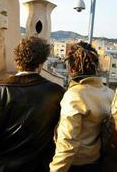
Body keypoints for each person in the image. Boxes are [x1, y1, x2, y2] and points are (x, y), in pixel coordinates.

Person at [0, 36, 65, 172]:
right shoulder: (57, 93)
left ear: (17, 61)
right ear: (41, 63)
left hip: (2, 167)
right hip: (39, 167)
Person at [49, 41, 114, 172]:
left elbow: (68, 144)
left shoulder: (75, 95)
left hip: (75, 164)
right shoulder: (109, 93)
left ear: (72, 69)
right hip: (96, 160)